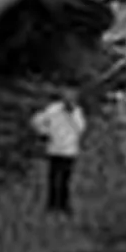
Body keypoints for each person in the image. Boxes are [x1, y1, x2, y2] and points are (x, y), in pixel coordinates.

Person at [31, 86, 87, 215]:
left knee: (65, 180)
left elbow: (81, 129)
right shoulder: (53, 109)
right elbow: (37, 120)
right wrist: (44, 133)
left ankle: (63, 205)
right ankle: (51, 205)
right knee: (53, 178)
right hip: (54, 149)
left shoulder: (77, 112)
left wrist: (71, 114)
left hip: (69, 151)